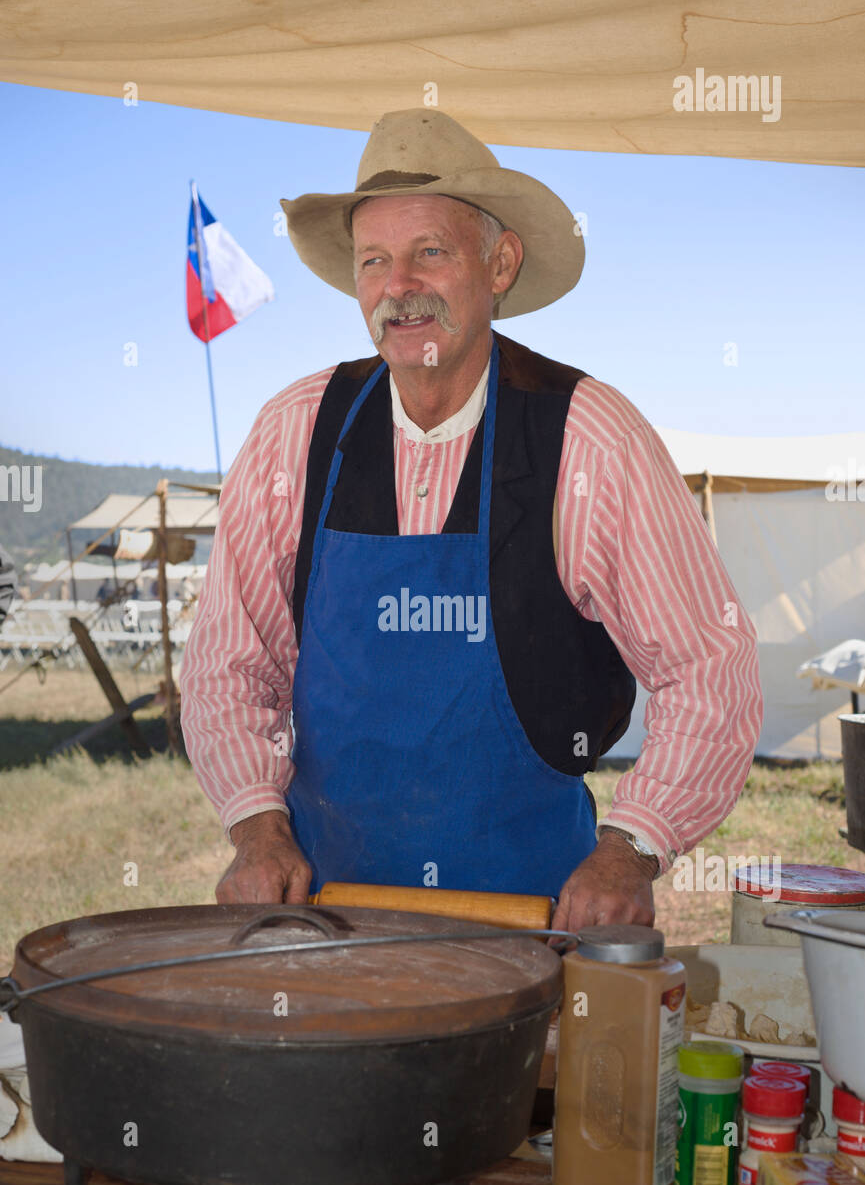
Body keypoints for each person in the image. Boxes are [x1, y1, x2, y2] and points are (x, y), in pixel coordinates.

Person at [181, 109, 762, 932]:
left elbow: (707, 663)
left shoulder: (587, 436)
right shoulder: (296, 430)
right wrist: (256, 827)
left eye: (430, 252)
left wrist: (630, 849)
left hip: (539, 916)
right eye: (373, 260)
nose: (398, 285)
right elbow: (229, 666)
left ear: (498, 262)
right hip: (325, 915)